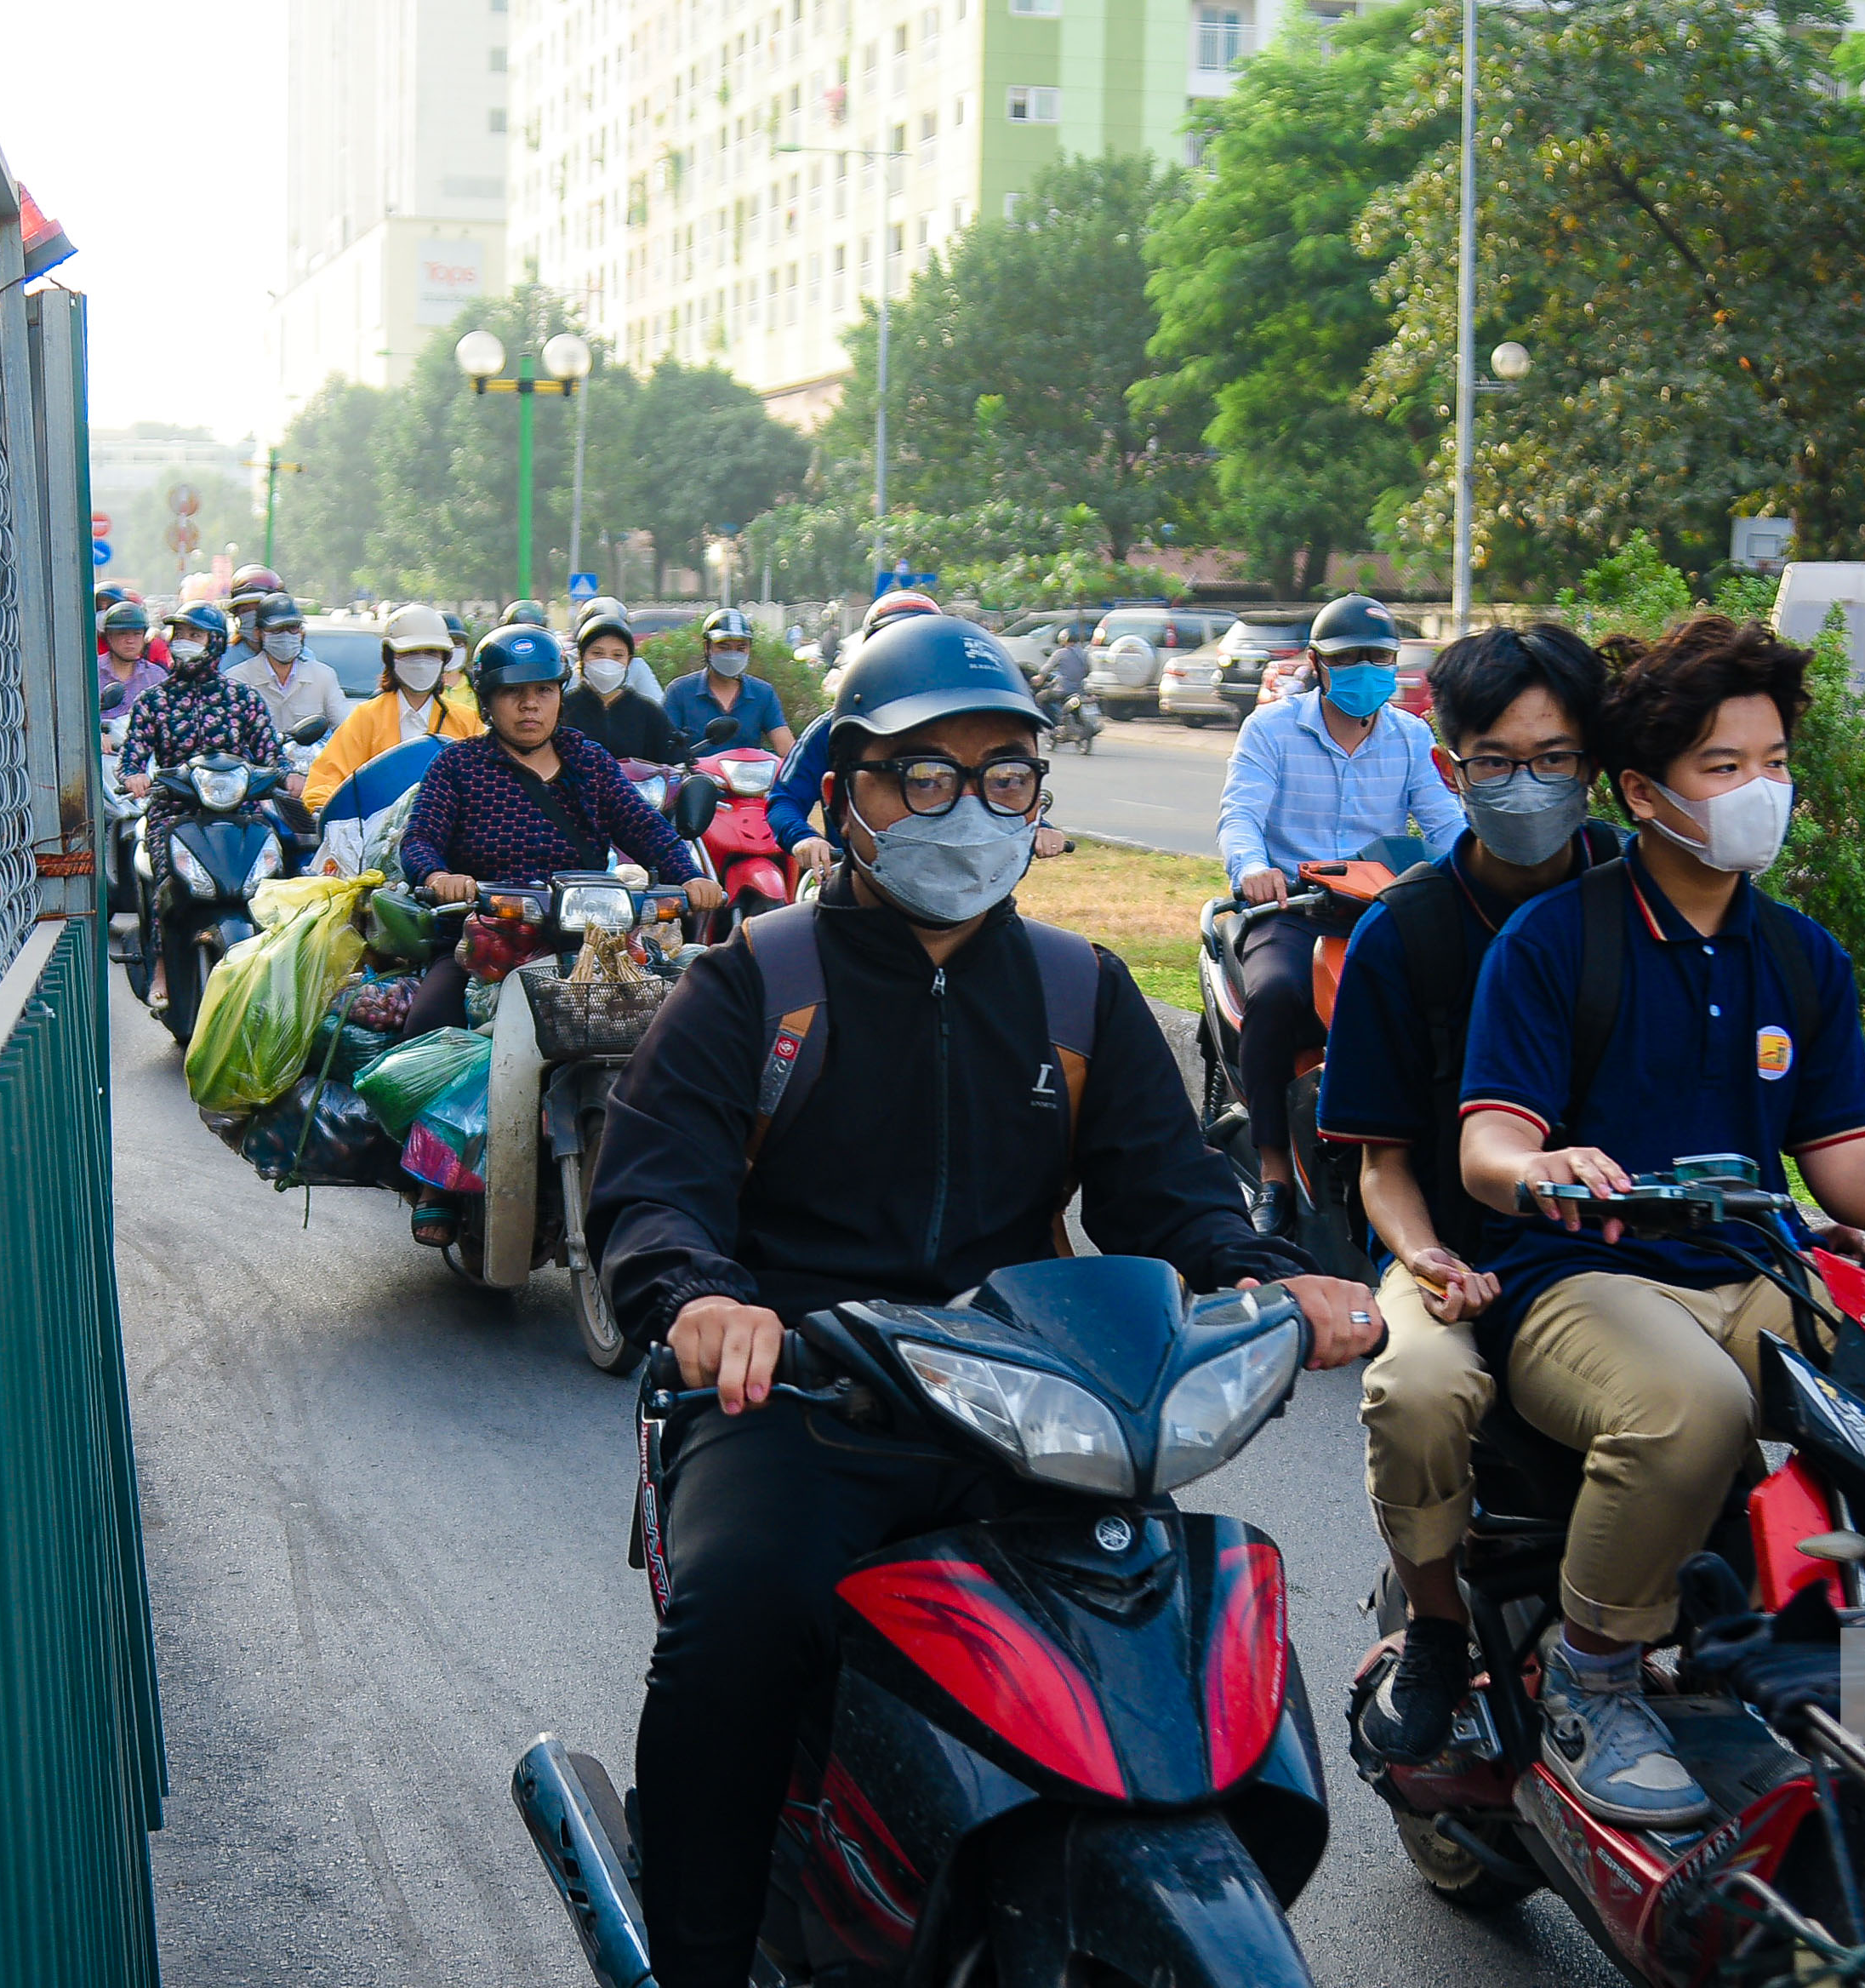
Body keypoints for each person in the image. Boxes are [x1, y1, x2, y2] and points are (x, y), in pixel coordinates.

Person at [586, 612, 1384, 1988]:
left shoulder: (1081, 992)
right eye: (927, 777)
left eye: (1005, 776)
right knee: (740, 1620)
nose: (971, 808)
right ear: (848, 795)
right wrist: (706, 1298)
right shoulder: (753, 984)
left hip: (1038, 1401)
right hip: (800, 1398)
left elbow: (1169, 1195)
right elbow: (653, 1192)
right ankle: (701, 1962)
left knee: (1166, 1613)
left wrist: (1271, 1278)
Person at [1454, 614, 1865, 1827]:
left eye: (1774, 764)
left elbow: (1854, 1173)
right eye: (1725, 768)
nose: (1759, 792)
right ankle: (1593, 1673)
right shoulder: (1553, 940)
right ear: (1642, 792)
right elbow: (1484, 1145)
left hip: (1756, 1266)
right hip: (1581, 1277)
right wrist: (1546, 1164)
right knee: (1688, 1410)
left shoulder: (1802, 958)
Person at [1316, 623, 1625, 1762]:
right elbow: (1382, 1160)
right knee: (1416, 1390)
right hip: (1460, 1253)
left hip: (1634, 1264)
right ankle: (1439, 1628)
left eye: (1556, 758)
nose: (1528, 784)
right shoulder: (1410, 931)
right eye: (1496, 759)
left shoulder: (1647, 902)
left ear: (1596, 764)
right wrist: (1424, 1259)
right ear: (1449, 766)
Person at [398, 624, 727, 1241]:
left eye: (544, 691)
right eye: (515, 693)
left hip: (589, 940)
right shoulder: (460, 766)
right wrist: (440, 875)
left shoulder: (588, 763)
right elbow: (419, 841)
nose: (530, 705)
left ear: (560, 695)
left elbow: (651, 833)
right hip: (488, 942)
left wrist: (689, 878)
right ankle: (435, 1177)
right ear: (489, 700)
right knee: (428, 1023)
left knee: (669, 1024)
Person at [1217, 593, 1467, 1237]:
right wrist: (1252, 869)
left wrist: (1481, 866)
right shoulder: (1270, 729)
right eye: (1350, 657)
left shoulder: (1413, 737)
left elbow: (1444, 824)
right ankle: (1274, 1169)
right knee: (1275, 997)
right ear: (1317, 664)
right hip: (1293, 909)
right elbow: (1241, 814)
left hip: (1380, 911)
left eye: (1379, 657)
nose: (1366, 669)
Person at [117, 602, 285, 1008]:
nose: (185, 643)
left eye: (195, 635)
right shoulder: (153, 700)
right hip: (175, 812)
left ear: (215, 642)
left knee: (284, 864)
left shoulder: (242, 698)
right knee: (163, 874)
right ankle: (161, 964)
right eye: (180, 635)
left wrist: (286, 774)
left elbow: (273, 756)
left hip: (241, 811)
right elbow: (131, 760)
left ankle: (282, 961)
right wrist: (136, 777)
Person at [772, 589, 941, 878]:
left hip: (950, 880)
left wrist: (1040, 827)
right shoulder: (835, 727)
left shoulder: (968, 729)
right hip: (856, 884)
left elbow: (1009, 789)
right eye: (895, 645)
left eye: (919, 644)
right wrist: (803, 837)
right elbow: (784, 798)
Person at [298, 603, 485, 811]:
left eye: (431, 653)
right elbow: (325, 781)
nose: (421, 662)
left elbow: (487, 784)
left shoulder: (467, 721)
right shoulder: (366, 718)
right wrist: (326, 810)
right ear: (390, 658)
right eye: (410, 653)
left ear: (444, 660)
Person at [663, 608, 796, 758]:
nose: (732, 655)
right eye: (723, 647)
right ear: (707, 647)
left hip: (751, 779)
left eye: (741, 648)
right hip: (696, 779)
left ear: (749, 649)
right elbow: (665, 750)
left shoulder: (763, 693)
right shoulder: (679, 692)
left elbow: (786, 748)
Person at [561, 608, 688, 763]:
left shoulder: (648, 712)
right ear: (582, 657)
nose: (608, 662)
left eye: (617, 655)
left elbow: (672, 763)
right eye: (597, 654)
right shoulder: (563, 709)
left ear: (629, 661)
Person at [223, 593, 347, 739]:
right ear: (259, 633)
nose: (286, 636)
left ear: (301, 632)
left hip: (312, 760)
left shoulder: (323, 676)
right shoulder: (237, 679)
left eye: (292, 628)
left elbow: (345, 728)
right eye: (276, 629)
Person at [96, 599, 165, 715]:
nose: (130, 640)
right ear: (108, 636)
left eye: (137, 633)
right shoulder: (91, 674)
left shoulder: (156, 677)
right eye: (122, 633)